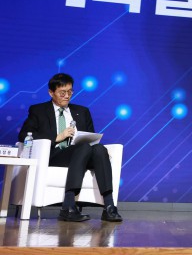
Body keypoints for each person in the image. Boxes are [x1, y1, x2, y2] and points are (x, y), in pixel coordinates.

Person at [18, 73, 122, 222]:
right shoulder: (38, 110)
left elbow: (90, 137)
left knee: (99, 149)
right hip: (55, 155)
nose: (67, 96)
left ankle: (109, 206)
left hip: (82, 154)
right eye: (62, 93)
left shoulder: (82, 111)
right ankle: (68, 205)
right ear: (51, 92)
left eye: (70, 92)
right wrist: (57, 137)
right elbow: (24, 135)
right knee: (84, 148)